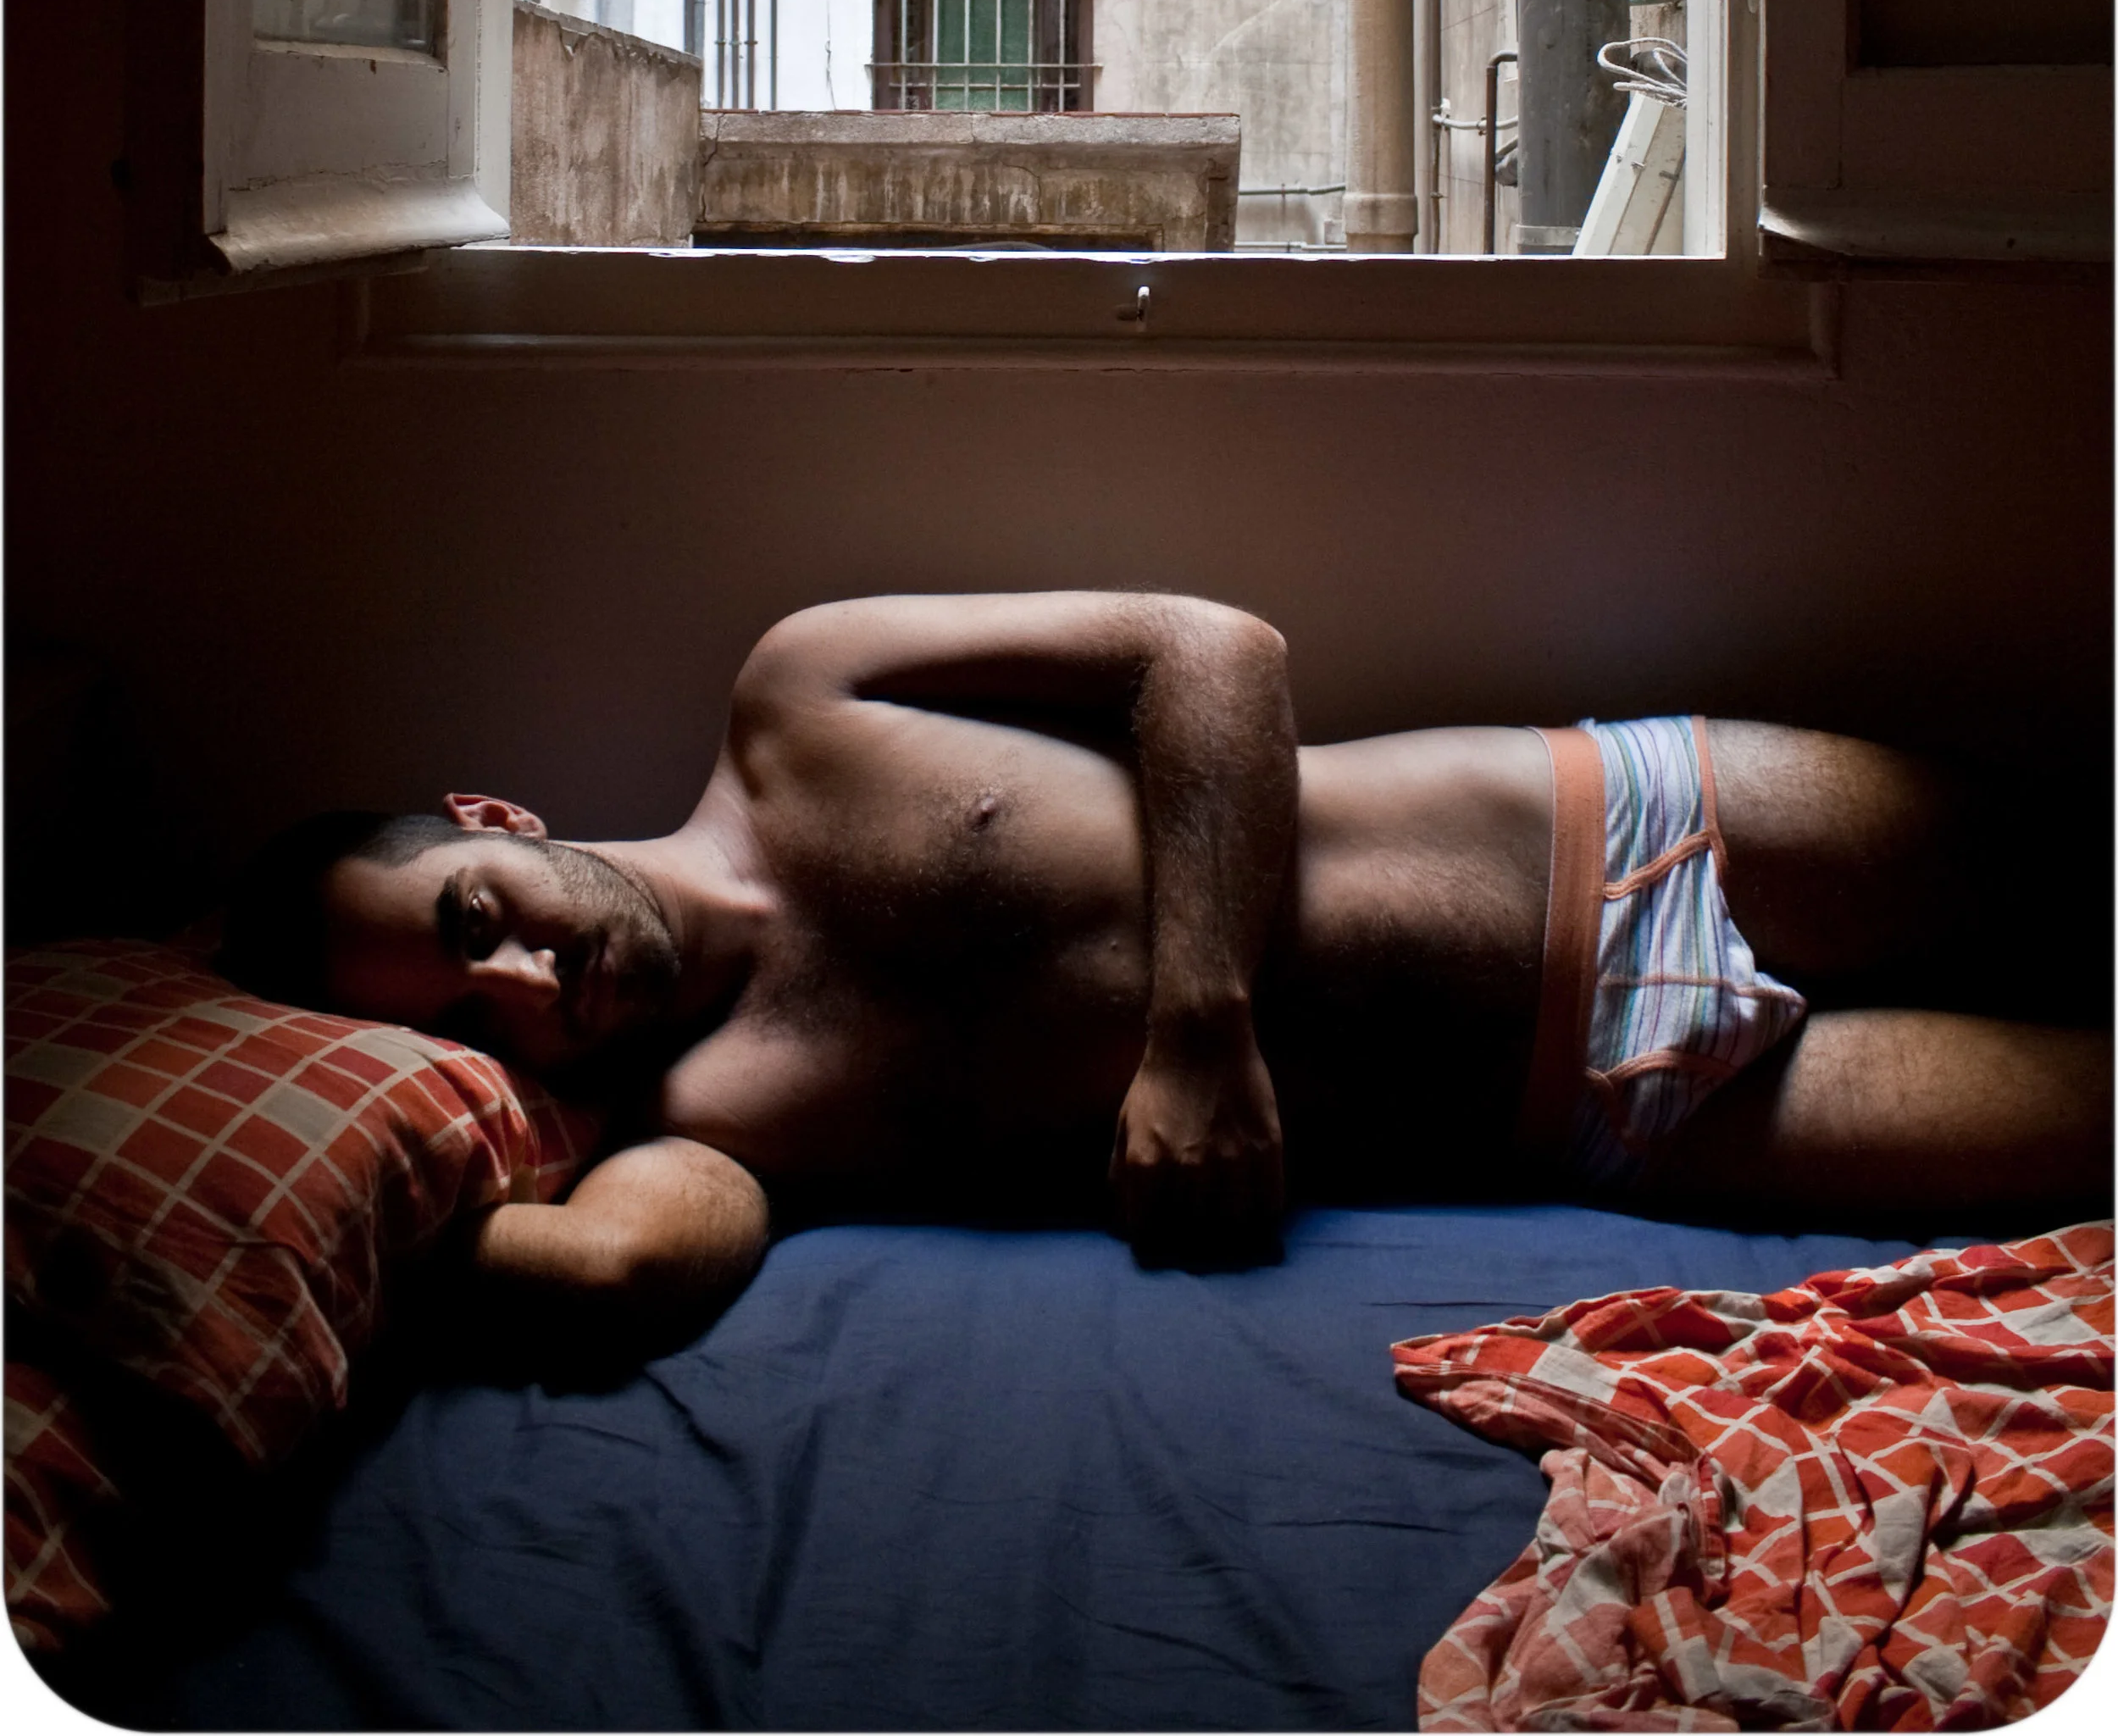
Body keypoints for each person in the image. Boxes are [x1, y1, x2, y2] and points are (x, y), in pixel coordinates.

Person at [219, 591, 2110, 1358]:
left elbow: (1212, 653)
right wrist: (327, 1189)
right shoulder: (695, 1120)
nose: (531, 988)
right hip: (1622, 1126)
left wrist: (1195, 1030)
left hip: (1624, 826)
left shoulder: (800, 694)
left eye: (479, 919)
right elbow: (622, 1267)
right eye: (472, 1022)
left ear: (492, 813)